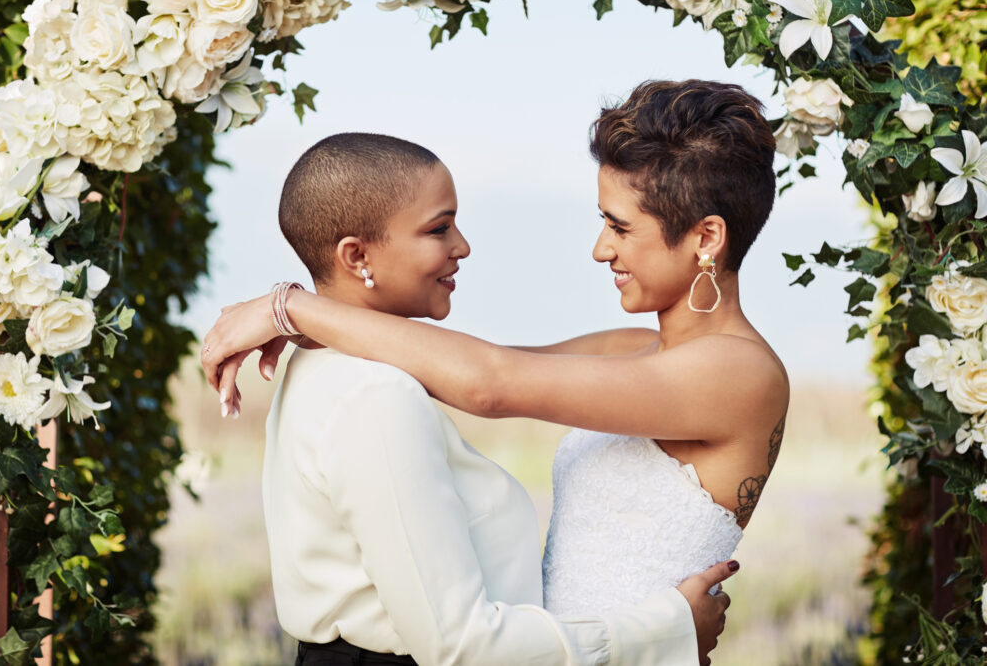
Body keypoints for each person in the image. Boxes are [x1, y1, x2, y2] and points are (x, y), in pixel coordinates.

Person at [202, 78, 788, 623]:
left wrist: (290, 306)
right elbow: (456, 361)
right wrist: (317, 325)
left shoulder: (740, 373)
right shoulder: (635, 348)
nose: (600, 249)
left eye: (621, 228)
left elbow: (491, 383)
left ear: (706, 237)